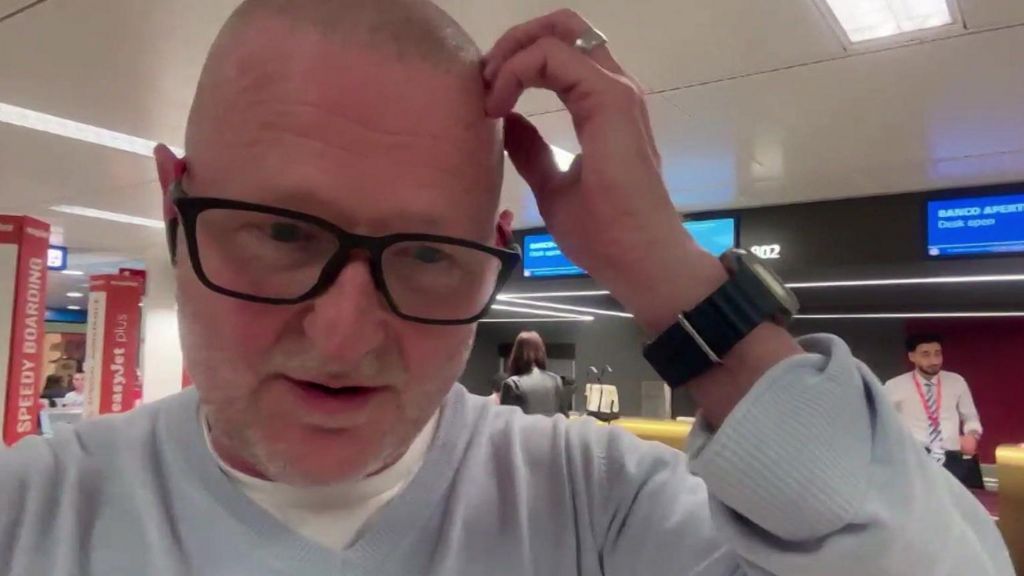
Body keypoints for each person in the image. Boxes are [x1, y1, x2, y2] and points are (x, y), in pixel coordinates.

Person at [0, 1, 1011, 574]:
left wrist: (668, 272)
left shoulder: (601, 507)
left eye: (427, 254)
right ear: (174, 204)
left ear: (492, 248)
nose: (346, 336)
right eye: (279, 232)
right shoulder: (32, 512)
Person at [886, 334, 985, 488]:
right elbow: (883, 422)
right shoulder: (894, 386)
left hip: (952, 457)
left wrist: (972, 435)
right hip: (914, 457)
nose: (934, 361)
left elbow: (970, 416)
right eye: (926, 354)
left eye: (937, 353)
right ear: (912, 356)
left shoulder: (956, 381)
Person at [500, 331, 562, 415]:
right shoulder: (555, 380)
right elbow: (562, 415)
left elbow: (506, 419)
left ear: (517, 353)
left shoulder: (512, 384)